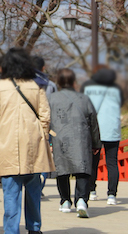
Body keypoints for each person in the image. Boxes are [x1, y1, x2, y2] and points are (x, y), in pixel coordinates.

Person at [0, 47, 53, 234]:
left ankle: (11, 230)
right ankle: (34, 228)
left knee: (11, 193)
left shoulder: (1, 86)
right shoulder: (36, 86)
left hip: (8, 145)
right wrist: (41, 134)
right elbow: (45, 116)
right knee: (33, 191)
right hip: (33, 146)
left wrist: (1, 134)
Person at [48, 68, 100, 217]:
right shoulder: (84, 99)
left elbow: (45, 121)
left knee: (62, 170)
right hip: (81, 137)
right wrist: (96, 143)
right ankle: (82, 200)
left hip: (60, 138)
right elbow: (93, 121)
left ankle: (65, 201)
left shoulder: (51, 99)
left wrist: (50, 138)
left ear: (58, 81)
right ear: (74, 82)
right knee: (82, 169)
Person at [83, 65, 124, 205]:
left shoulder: (89, 88)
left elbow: (86, 108)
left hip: (96, 129)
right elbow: (121, 104)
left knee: (93, 161)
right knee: (112, 162)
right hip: (113, 129)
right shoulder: (116, 89)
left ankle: (92, 190)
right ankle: (112, 195)